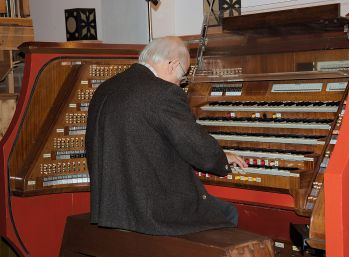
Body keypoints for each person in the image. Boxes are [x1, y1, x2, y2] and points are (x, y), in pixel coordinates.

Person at [85, 36, 247, 236]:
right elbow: (194, 144)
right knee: (227, 213)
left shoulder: (106, 88)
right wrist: (221, 159)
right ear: (173, 64)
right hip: (151, 212)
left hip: (111, 208)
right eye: (182, 78)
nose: (179, 85)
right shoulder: (162, 92)